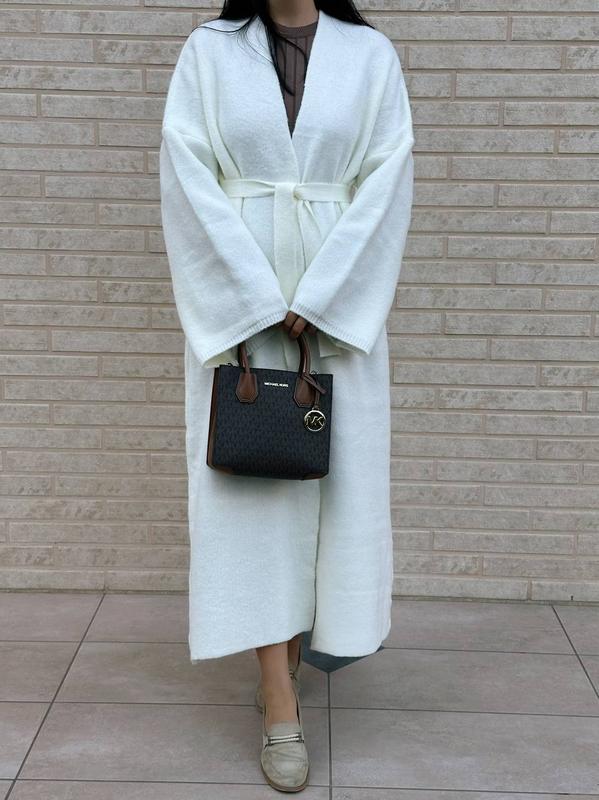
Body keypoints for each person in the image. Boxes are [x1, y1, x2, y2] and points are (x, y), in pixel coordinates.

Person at [159, 0, 414, 791]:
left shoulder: (369, 55)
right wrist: (253, 295)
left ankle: (298, 653)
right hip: (240, 310)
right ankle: (277, 699)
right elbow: (186, 171)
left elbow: (386, 178)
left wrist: (326, 295)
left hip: (337, 313)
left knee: (332, 489)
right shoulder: (209, 51)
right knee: (253, 497)